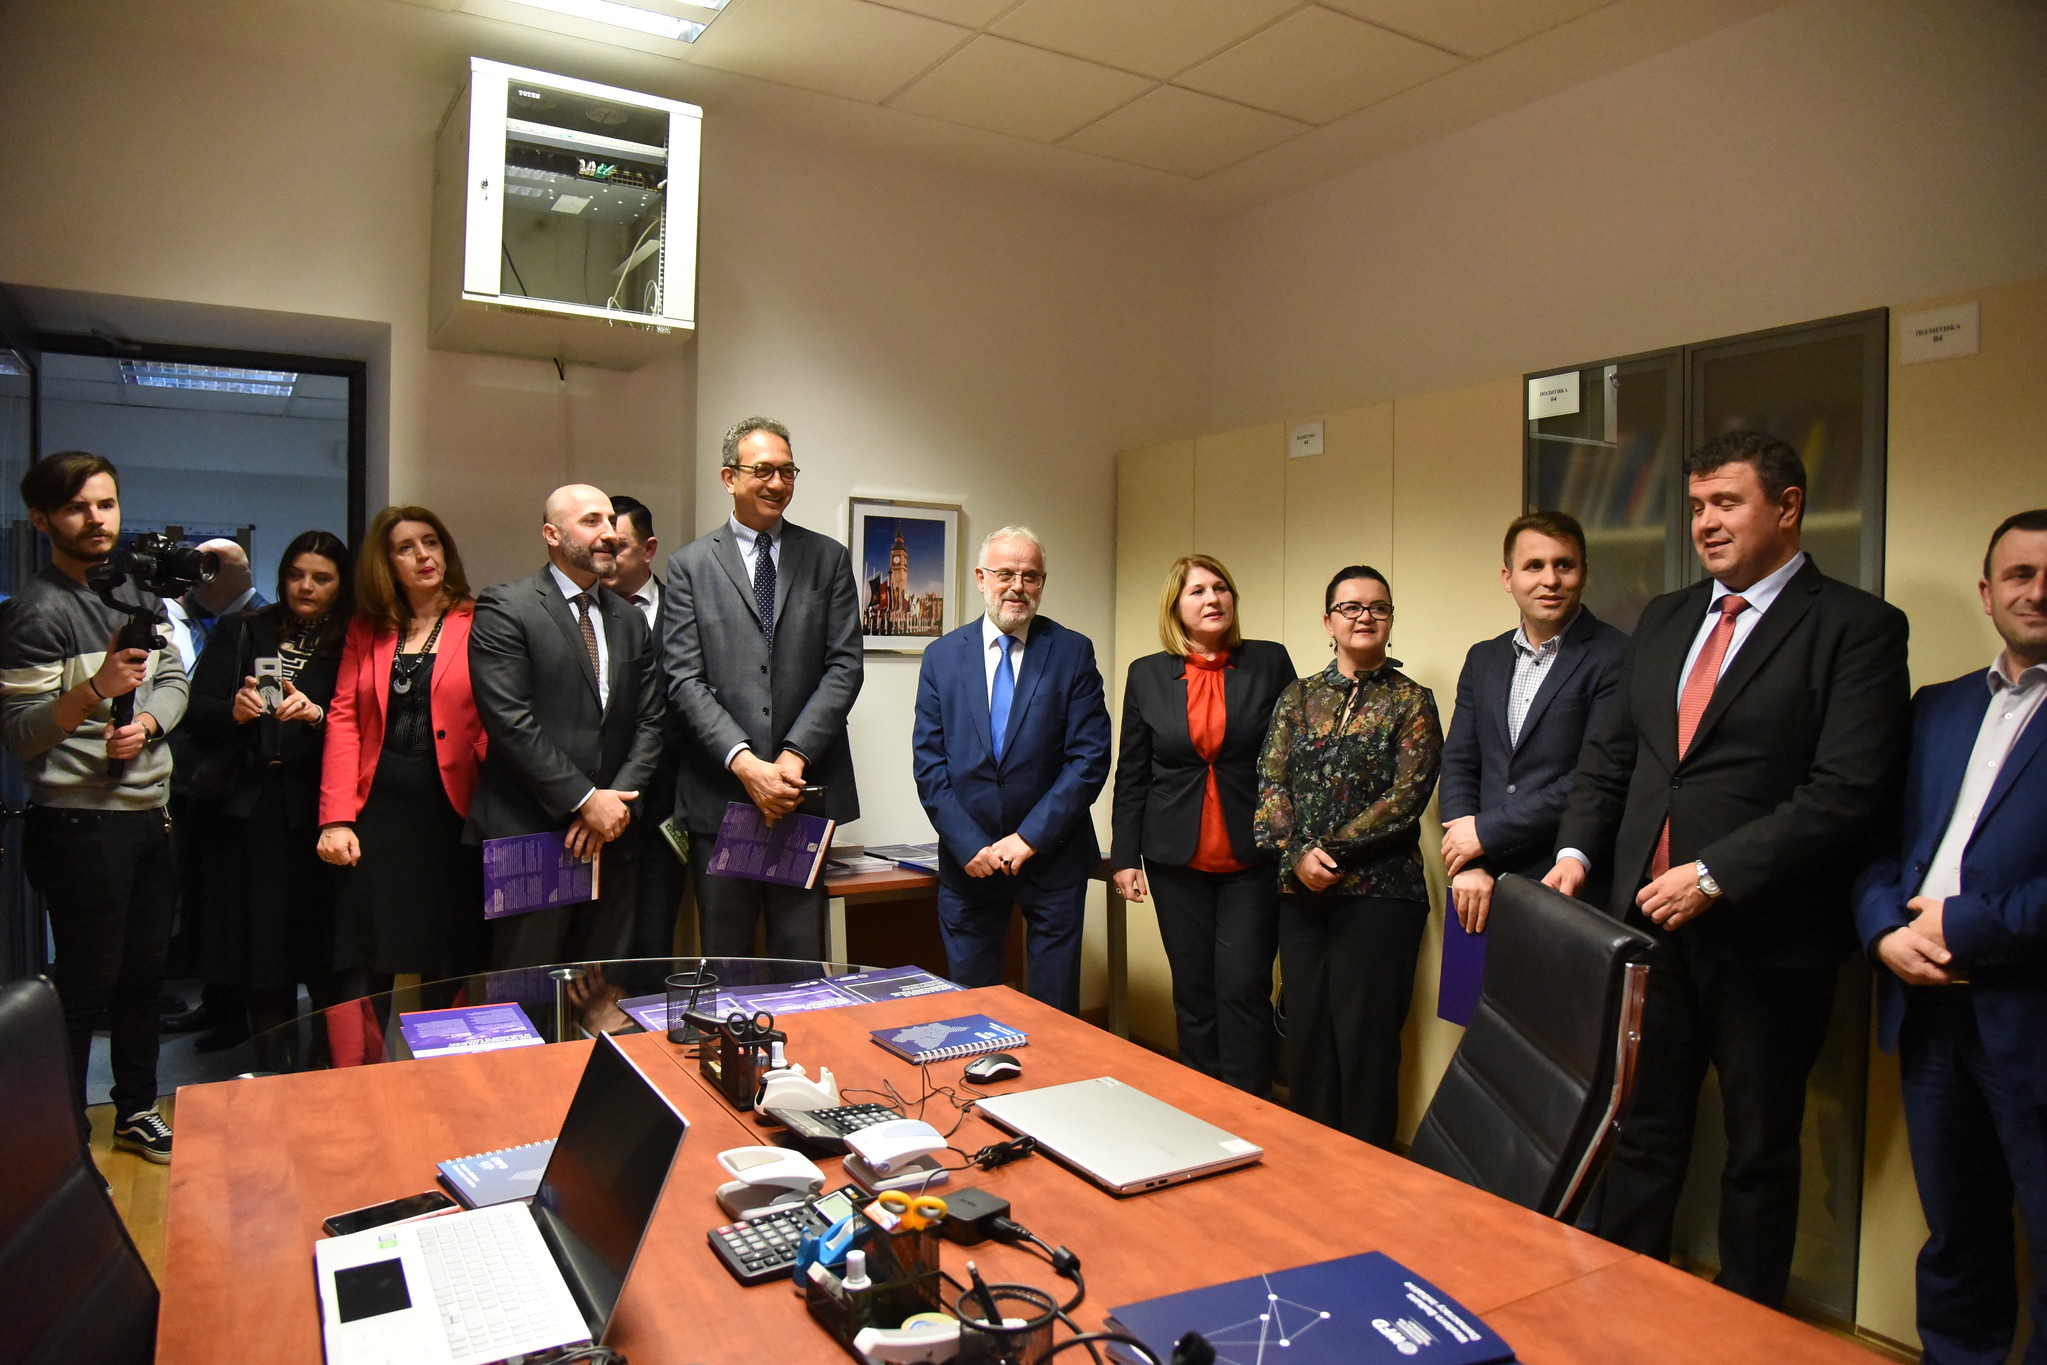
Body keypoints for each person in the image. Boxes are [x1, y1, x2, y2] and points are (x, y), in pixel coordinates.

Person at [1545, 429, 1911, 1308]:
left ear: (1786, 508)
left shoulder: (1856, 627)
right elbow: (1614, 757)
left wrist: (1711, 874)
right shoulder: (1667, 617)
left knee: (1757, 1148)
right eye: (1698, 505)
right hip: (1644, 925)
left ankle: (1744, 1324)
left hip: (1766, 938)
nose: (1705, 523)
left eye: (1727, 503)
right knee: (1642, 1131)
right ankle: (1619, 1303)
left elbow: (1847, 790)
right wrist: (1573, 852)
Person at [1855, 509, 2047, 1365]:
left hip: (2028, 1016)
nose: (2036, 592)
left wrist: (1964, 923)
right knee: (1956, 1237)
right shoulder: (1935, 707)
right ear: (1986, 592)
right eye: (2017, 575)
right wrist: (1879, 932)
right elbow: (1876, 846)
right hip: (1927, 1017)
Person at [2, 451, 188, 1160]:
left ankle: (136, 1109)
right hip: (79, 824)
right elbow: (21, 733)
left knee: (145, 977)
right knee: (84, 987)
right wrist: (96, 687)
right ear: (43, 518)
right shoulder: (35, 610)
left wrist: (148, 724)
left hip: (148, 816)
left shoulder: (136, 592)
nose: (97, 518)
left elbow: (170, 676)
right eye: (80, 506)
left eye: (106, 504)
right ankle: (66, 1134)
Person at [1254, 565, 1442, 1148]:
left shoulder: (1411, 700)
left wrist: (1325, 853)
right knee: (1307, 1036)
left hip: (1381, 896)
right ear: (1328, 619)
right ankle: (1311, 1170)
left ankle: (1369, 1180)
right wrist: (1296, 856)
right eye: (1351, 607)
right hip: (1302, 895)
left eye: (1377, 607)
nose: (1364, 617)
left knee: (1365, 1044)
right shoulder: (1298, 696)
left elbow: (1407, 795)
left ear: (1389, 618)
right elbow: (1270, 784)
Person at [663, 418, 862, 961]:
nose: (778, 483)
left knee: (801, 957)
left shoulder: (828, 560)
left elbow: (845, 667)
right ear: (729, 477)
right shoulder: (688, 567)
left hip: (802, 794)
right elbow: (683, 678)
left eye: (788, 471)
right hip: (722, 794)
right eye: (763, 471)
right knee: (726, 959)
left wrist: (793, 759)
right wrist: (748, 765)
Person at [1110, 554, 1294, 1095]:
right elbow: (1133, 770)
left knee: (1243, 987)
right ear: (1176, 606)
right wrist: (1124, 856)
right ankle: (1203, 1104)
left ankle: (1252, 1108)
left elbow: (1292, 757)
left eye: (1221, 588)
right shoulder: (1147, 673)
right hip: (1174, 857)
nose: (1212, 599)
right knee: (1193, 990)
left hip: (1252, 856)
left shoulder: (1269, 662)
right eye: (1197, 591)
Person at [912, 526, 1111, 1014]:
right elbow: (929, 764)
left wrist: (1028, 838)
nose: (1017, 586)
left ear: (1042, 583)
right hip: (970, 860)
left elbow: (1089, 758)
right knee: (972, 1004)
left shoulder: (1071, 652)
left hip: (1052, 857)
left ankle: (1053, 1091)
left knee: (1055, 1009)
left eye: (1030, 576)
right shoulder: (942, 657)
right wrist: (969, 843)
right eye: (1005, 574)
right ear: (981, 579)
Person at [469, 484, 665, 967]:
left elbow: (650, 720)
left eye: (611, 521)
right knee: (527, 989)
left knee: (600, 991)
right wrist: (584, 799)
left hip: (614, 835)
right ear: (551, 534)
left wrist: (613, 803)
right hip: (531, 829)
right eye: (591, 521)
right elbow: (511, 721)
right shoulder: (506, 606)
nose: (609, 534)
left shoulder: (628, 619)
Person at [185, 530, 351, 1067]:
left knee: (328, 951)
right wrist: (234, 713)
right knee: (263, 952)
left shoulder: (356, 638)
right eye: (296, 575)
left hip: (324, 810)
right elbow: (197, 711)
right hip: (251, 808)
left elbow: (371, 726)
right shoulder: (243, 629)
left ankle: (333, 1071)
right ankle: (274, 1067)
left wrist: (320, 716)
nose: (306, 586)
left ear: (341, 584)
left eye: (321, 578)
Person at [318, 506, 489, 1002]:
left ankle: (440, 1077)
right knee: (367, 962)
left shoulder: (480, 619)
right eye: (405, 548)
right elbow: (344, 720)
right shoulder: (365, 629)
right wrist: (335, 818)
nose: (423, 555)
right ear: (385, 563)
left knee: (446, 957)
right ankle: (363, 1079)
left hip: (452, 810)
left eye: (431, 542)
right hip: (378, 812)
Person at [1438, 512, 1628, 935]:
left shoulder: (1616, 655)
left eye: (1564, 564)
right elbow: (1459, 763)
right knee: (1472, 1002)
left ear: (1583, 573)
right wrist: (1471, 860)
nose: (1551, 580)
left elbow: (1595, 775)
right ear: (1508, 577)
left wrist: (1486, 832)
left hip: (1564, 876)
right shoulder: (1483, 658)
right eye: (1534, 566)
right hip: (1479, 883)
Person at [603, 493, 685, 959]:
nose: (607, 558)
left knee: (656, 928)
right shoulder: (581, 615)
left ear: (649, 550)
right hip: (599, 800)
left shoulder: (684, 611)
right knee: (599, 939)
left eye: (620, 547)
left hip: (670, 800)